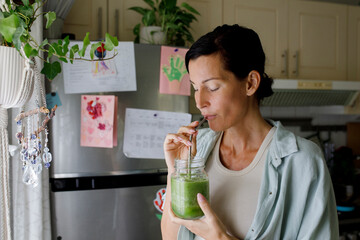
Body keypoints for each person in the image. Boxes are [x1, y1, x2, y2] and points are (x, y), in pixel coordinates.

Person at [161, 24, 339, 240]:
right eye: (195, 88)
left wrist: (220, 238)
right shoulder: (196, 149)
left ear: (250, 83)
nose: (200, 102)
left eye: (213, 87)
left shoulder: (302, 161)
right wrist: (176, 171)